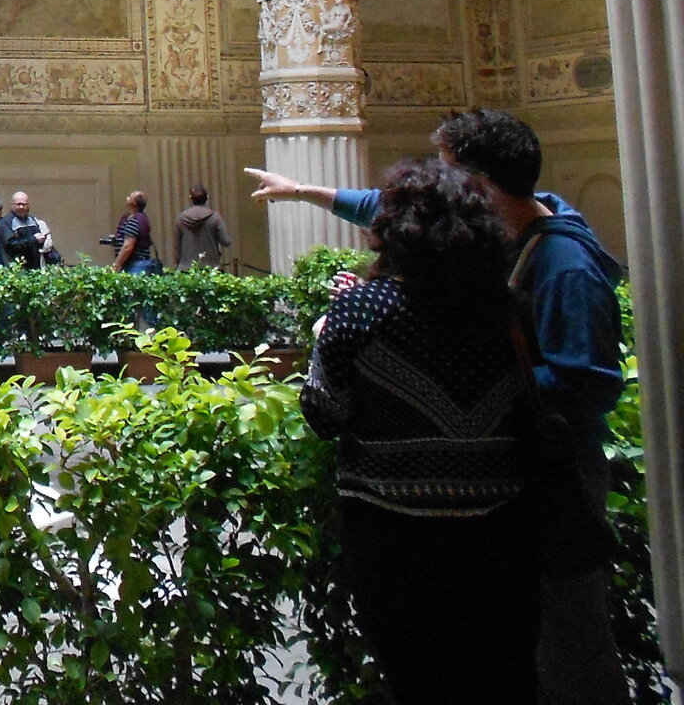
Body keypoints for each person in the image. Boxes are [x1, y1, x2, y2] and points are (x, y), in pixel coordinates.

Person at [248, 107, 628, 705]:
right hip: (502, 502)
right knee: (509, 659)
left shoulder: (562, 267)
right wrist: (301, 190)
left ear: (478, 188)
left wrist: (370, 339)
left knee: (566, 647)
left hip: (543, 480)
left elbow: (589, 384)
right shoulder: (491, 282)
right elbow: (397, 211)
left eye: (446, 170)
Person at [297, 158, 538, 705]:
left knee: (419, 679)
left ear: (393, 230)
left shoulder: (360, 311)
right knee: (505, 677)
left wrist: (323, 333)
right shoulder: (507, 310)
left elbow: (324, 414)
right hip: (502, 533)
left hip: (393, 536)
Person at [173, 185, 231, 270]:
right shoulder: (215, 217)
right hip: (211, 267)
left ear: (191, 198)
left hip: (186, 268)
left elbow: (177, 246)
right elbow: (226, 242)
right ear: (207, 197)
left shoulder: (181, 219)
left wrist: (178, 264)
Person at [103, 191, 158, 273]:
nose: (127, 198)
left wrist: (116, 264)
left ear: (133, 203)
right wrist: (118, 240)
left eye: (129, 197)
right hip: (137, 263)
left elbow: (128, 246)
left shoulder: (134, 220)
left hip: (134, 265)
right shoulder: (141, 218)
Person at [4, 191, 59, 268]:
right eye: (18, 204)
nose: (21, 207)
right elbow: (10, 247)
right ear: (12, 204)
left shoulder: (32, 220)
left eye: (24, 204)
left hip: (35, 268)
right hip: (17, 269)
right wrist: (33, 240)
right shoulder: (6, 222)